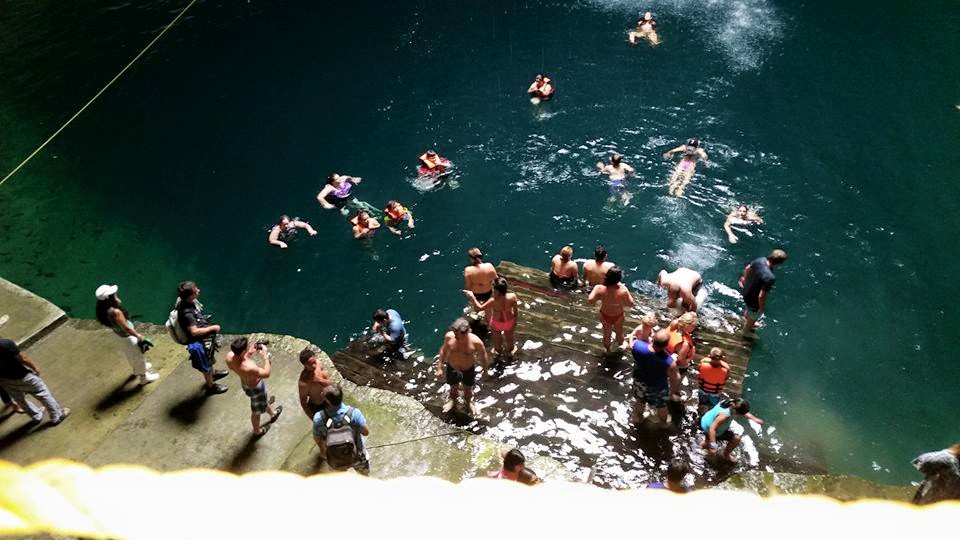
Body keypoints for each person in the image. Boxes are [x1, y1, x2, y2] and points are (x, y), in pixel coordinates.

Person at [94, 284, 160, 386]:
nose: (115, 294)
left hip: (119, 336)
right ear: (110, 298)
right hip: (128, 337)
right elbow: (126, 328)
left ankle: (137, 369)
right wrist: (138, 336)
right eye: (113, 294)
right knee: (138, 356)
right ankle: (144, 377)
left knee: (131, 356)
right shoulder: (115, 312)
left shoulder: (103, 310)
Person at [0, 338, 70, 425]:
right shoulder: (5, 343)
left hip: (4, 380)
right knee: (42, 392)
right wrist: (34, 368)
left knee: (20, 399)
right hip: (22, 376)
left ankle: (36, 415)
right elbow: (23, 358)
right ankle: (57, 415)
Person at [176, 281, 229, 395]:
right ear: (191, 295)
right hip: (200, 342)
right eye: (196, 290)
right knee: (207, 364)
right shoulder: (187, 313)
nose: (199, 290)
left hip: (206, 339)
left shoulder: (186, 302)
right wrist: (212, 328)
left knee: (210, 359)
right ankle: (210, 386)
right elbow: (194, 332)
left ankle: (213, 374)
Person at [226, 337, 282, 436]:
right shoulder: (249, 367)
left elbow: (236, 363)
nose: (249, 347)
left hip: (245, 384)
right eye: (247, 347)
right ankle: (257, 431)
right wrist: (266, 357)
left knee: (262, 402)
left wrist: (249, 353)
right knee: (256, 412)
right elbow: (266, 373)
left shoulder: (229, 356)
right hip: (256, 389)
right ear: (243, 351)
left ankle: (272, 412)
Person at [435, 318, 489, 415]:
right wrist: (439, 367)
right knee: (453, 387)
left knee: (468, 390)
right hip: (453, 367)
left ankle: (468, 403)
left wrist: (485, 370)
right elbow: (443, 350)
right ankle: (452, 401)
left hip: (468, 369)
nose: (455, 336)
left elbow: (483, 355)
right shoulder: (449, 337)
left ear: (466, 332)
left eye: (457, 334)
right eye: (454, 333)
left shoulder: (476, 342)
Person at [312, 385, 370, 475]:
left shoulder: (318, 418)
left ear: (327, 401)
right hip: (358, 456)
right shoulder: (354, 413)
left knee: (340, 480)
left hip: (335, 460)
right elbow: (366, 432)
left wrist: (323, 452)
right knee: (364, 476)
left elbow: (317, 439)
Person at [631, 330, 681, 424]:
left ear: (653, 339)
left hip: (639, 381)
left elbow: (632, 341)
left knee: (640, 400)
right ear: (666, 346)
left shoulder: (638, 346)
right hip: (658, 388)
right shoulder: (669, 362)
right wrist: (673, 391)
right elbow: (676, 378)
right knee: (661, 406)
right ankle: (663, 423)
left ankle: (638, 419)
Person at [464, 277, 518, 360]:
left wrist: (472, 297)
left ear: (497, 290)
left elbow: (479, 308)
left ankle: (498, 352)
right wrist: (515, 322)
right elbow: (515, 311)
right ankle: (510, 352)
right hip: (509, 322)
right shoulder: (512, 297)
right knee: (510, 340)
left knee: (497, 341)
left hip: (497, 323)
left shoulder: (493, 301)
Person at [700, 397, 763, 463]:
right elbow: (712, 429)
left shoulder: (730, 401)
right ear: (733, 407)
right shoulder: (725, 415)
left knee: (707, 442)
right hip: (709, 428)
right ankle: (725, 455)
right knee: (736, 439)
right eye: (738, 413)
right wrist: (713, 446)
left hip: (706, 420)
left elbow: (743, 412)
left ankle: (702, 445)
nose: (739, 415)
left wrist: (754, 419)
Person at [738, 249, 788, 332]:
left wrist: (744, 279)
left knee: (749, 308)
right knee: (754, 314)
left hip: (745, 290)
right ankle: (745, 331)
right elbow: (761, 296)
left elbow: (747, 269)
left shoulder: (760, 260)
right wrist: (761, 308)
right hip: (753, 298)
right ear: (779, 263)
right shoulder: (770, 277)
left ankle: (746, 318)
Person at [588, 267, 635, 354]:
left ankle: (608, 350)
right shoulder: (623, 290)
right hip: (618, 316)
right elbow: (631, 304)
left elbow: (590, 300)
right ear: (619, 279)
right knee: (619, 331)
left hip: (604, 314)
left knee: (606, 333)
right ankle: (621, 345)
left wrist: (598, 294)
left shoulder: (599, 288)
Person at [464, 247, 498, 322]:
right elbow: (497, 280)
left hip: (476, 294)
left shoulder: (468, 270)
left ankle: (478, 311)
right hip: (488, 292)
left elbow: (468, 287)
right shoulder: (489, 266)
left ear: (471, 258)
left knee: (475, 305)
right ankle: (490, 323)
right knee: (489, 312)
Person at [298, 348, 332, 420]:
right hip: (317, 406)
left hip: (328, 400)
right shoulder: (304, 383)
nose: (314, 366)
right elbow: (303, 403)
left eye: (314, 362)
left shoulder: (318, 364)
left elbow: (331, 384)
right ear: (304, 365)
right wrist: (313, 419)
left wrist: (318, 380)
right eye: (310, 364)